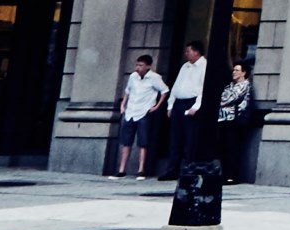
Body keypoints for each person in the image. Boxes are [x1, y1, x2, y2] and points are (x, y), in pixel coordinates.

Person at [110, 54, 166, 177]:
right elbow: (128, 91)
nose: (137, 68)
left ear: (148, 66)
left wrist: (156, 106)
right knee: (126, 141)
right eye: (137, 65)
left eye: (141, 65)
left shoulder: (154, 78)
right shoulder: (133, 77)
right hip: (130, 111)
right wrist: (123, 105)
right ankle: (121, 169)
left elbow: (164, 91)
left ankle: (141, 170)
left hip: (144, 111)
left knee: (143, 142)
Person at [164, 41, 210, 170]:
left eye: (188, 51)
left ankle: (188, 167)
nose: (186, 54)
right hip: (178, 103)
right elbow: (176, 86)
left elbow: (203, 89)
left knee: (190, 138)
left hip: (191, 103)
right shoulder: (185, 66)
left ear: (196, 52)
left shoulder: (204, 66)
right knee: (175, 138)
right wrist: (170, 105)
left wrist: (196, 106)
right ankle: (172, 169)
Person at [213, 54, 259, 184]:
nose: (234, 72)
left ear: (244, 73)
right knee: (223, 148)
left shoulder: (244, 85)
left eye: (237, 70)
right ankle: (225, 174)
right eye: (233, 70)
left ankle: (232, 176)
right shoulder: (230, 86)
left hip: (234, 120)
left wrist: (223, 100)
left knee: (232, 148)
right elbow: (222, 98)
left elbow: (227, 99)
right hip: (222, 119)